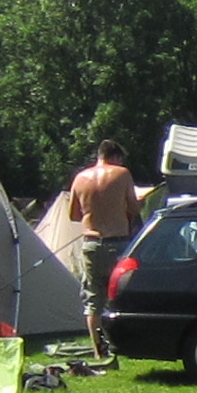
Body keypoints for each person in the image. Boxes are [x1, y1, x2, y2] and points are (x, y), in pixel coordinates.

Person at [64, 137, 143, 352]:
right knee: (121, 294)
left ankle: (99, 350)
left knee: (93, 300)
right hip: (118, 242)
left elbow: (73, 215)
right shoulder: (122, 174)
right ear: (115, 157)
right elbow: (134, 209)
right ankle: (124, 344)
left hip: (91, 244)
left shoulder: (80, 178)